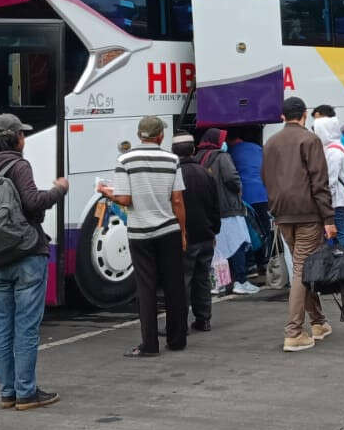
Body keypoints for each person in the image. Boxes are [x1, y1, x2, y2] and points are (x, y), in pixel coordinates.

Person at [0, 113, 67, 410]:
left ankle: (8, 392)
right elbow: (34, 202)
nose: (24, 139)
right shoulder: (18, 165)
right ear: (15, 137)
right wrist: (59, 189)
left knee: (1, 326)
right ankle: (26, 392)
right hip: (27, 255)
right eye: (22, 134)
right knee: (26, 327)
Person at [101, 114, 188, 358]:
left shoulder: (125, 160)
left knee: (146, 288)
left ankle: (149, 345)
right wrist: (183, 232)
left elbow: (125, 199)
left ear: (140, 135)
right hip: (168, 230)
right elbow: (178, 200)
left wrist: (106, 192)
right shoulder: (172, 160)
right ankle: (177, 339)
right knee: (174, 286)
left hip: (140, 233)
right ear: (160, 136)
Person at [262, 96, 337, 352]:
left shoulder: (270, 142)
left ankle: (318, 322)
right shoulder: (310, 139)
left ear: (282, 116)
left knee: (303, 268)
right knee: (301, 271)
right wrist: (328, 218)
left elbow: (266, 179)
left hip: (282, 214)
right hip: (308, 214)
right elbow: (319, 182)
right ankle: (294, 332)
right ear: (304, 114)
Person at [195, 128, 257, 296]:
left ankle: (219, 283)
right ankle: (240, 281)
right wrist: (238, 189)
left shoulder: (199, 158)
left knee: (218, 248)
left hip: (209, 210)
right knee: (237, 244)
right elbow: (231, 178)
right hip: (229, 207)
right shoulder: (222, 157)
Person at [172, 133, 220, 332]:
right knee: (202, 278)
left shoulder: (174, 175)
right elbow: (215, 206)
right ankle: (204, 319)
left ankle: (179, 323)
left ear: (174, 152)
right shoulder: (205, 173)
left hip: (184, 236)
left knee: (182, 281)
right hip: (206, 234)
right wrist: (214, 230)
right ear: (193, 150)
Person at [228, 128, 270, 280]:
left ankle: (251, 265)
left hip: (246, 197)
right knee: (264, 230)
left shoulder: (230, 152)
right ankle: (265, 263)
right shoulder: (257, 148)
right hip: (263, 194)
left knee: (249, 232)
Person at [313, 113, 344, 251]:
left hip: (337, 200)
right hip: (343, 198)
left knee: (340, 235)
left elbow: (331, 180)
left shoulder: (332, 152)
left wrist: (326, 202)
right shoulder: (338, 146)